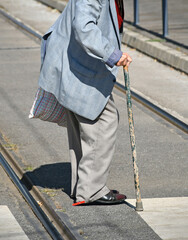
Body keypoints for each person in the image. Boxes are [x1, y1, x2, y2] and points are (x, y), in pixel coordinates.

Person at [38, 0, 132, 205]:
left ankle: (82, 186)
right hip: (75, 64)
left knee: (84, 121)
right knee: (105, 118)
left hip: (78, 63)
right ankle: (91, 189)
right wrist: (113, 55)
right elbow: (84, 26)